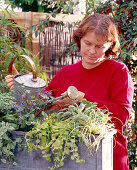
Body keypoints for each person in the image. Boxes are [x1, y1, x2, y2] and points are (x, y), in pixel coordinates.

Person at [5, 13, 134, 170]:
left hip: (108, 159)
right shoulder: (65, 73)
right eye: (88, 43)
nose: (92, 51)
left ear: (110, 46)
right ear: (79, 39)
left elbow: (122, 116)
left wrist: (82, 99)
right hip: (71, 161)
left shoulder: (118, 72)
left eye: (99, 46)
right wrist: (21, 87)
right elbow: (39, 106)